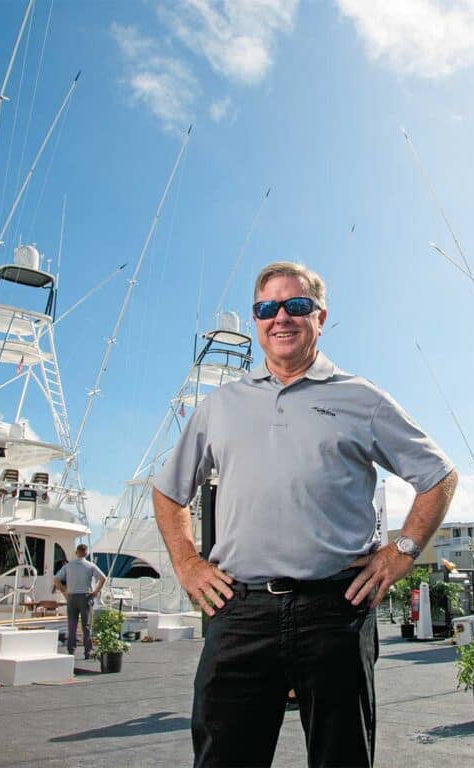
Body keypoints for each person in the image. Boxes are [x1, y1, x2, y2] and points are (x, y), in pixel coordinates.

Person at [153, 261, 457, 768]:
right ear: (256, 320)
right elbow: (168, 492)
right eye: (267, 308)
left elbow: (439, 476)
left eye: (296, 306)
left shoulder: (361, 398)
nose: (281, 318)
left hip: (335, 611)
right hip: (240, 612)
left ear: (320, 316)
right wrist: (187, 563)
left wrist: (401, 552)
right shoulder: (221, 405)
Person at [53, 544, 106, 659]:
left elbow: (56, 579)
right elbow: (103, 578)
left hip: (71, 596)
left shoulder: (68, 566)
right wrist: (96, 591)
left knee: (72, 625)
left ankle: (71, 651)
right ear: (86, 553)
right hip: (85, 596)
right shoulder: (90, 565)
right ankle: (88, 651)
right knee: (86, 625)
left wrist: (64, 592)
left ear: (76, 552)